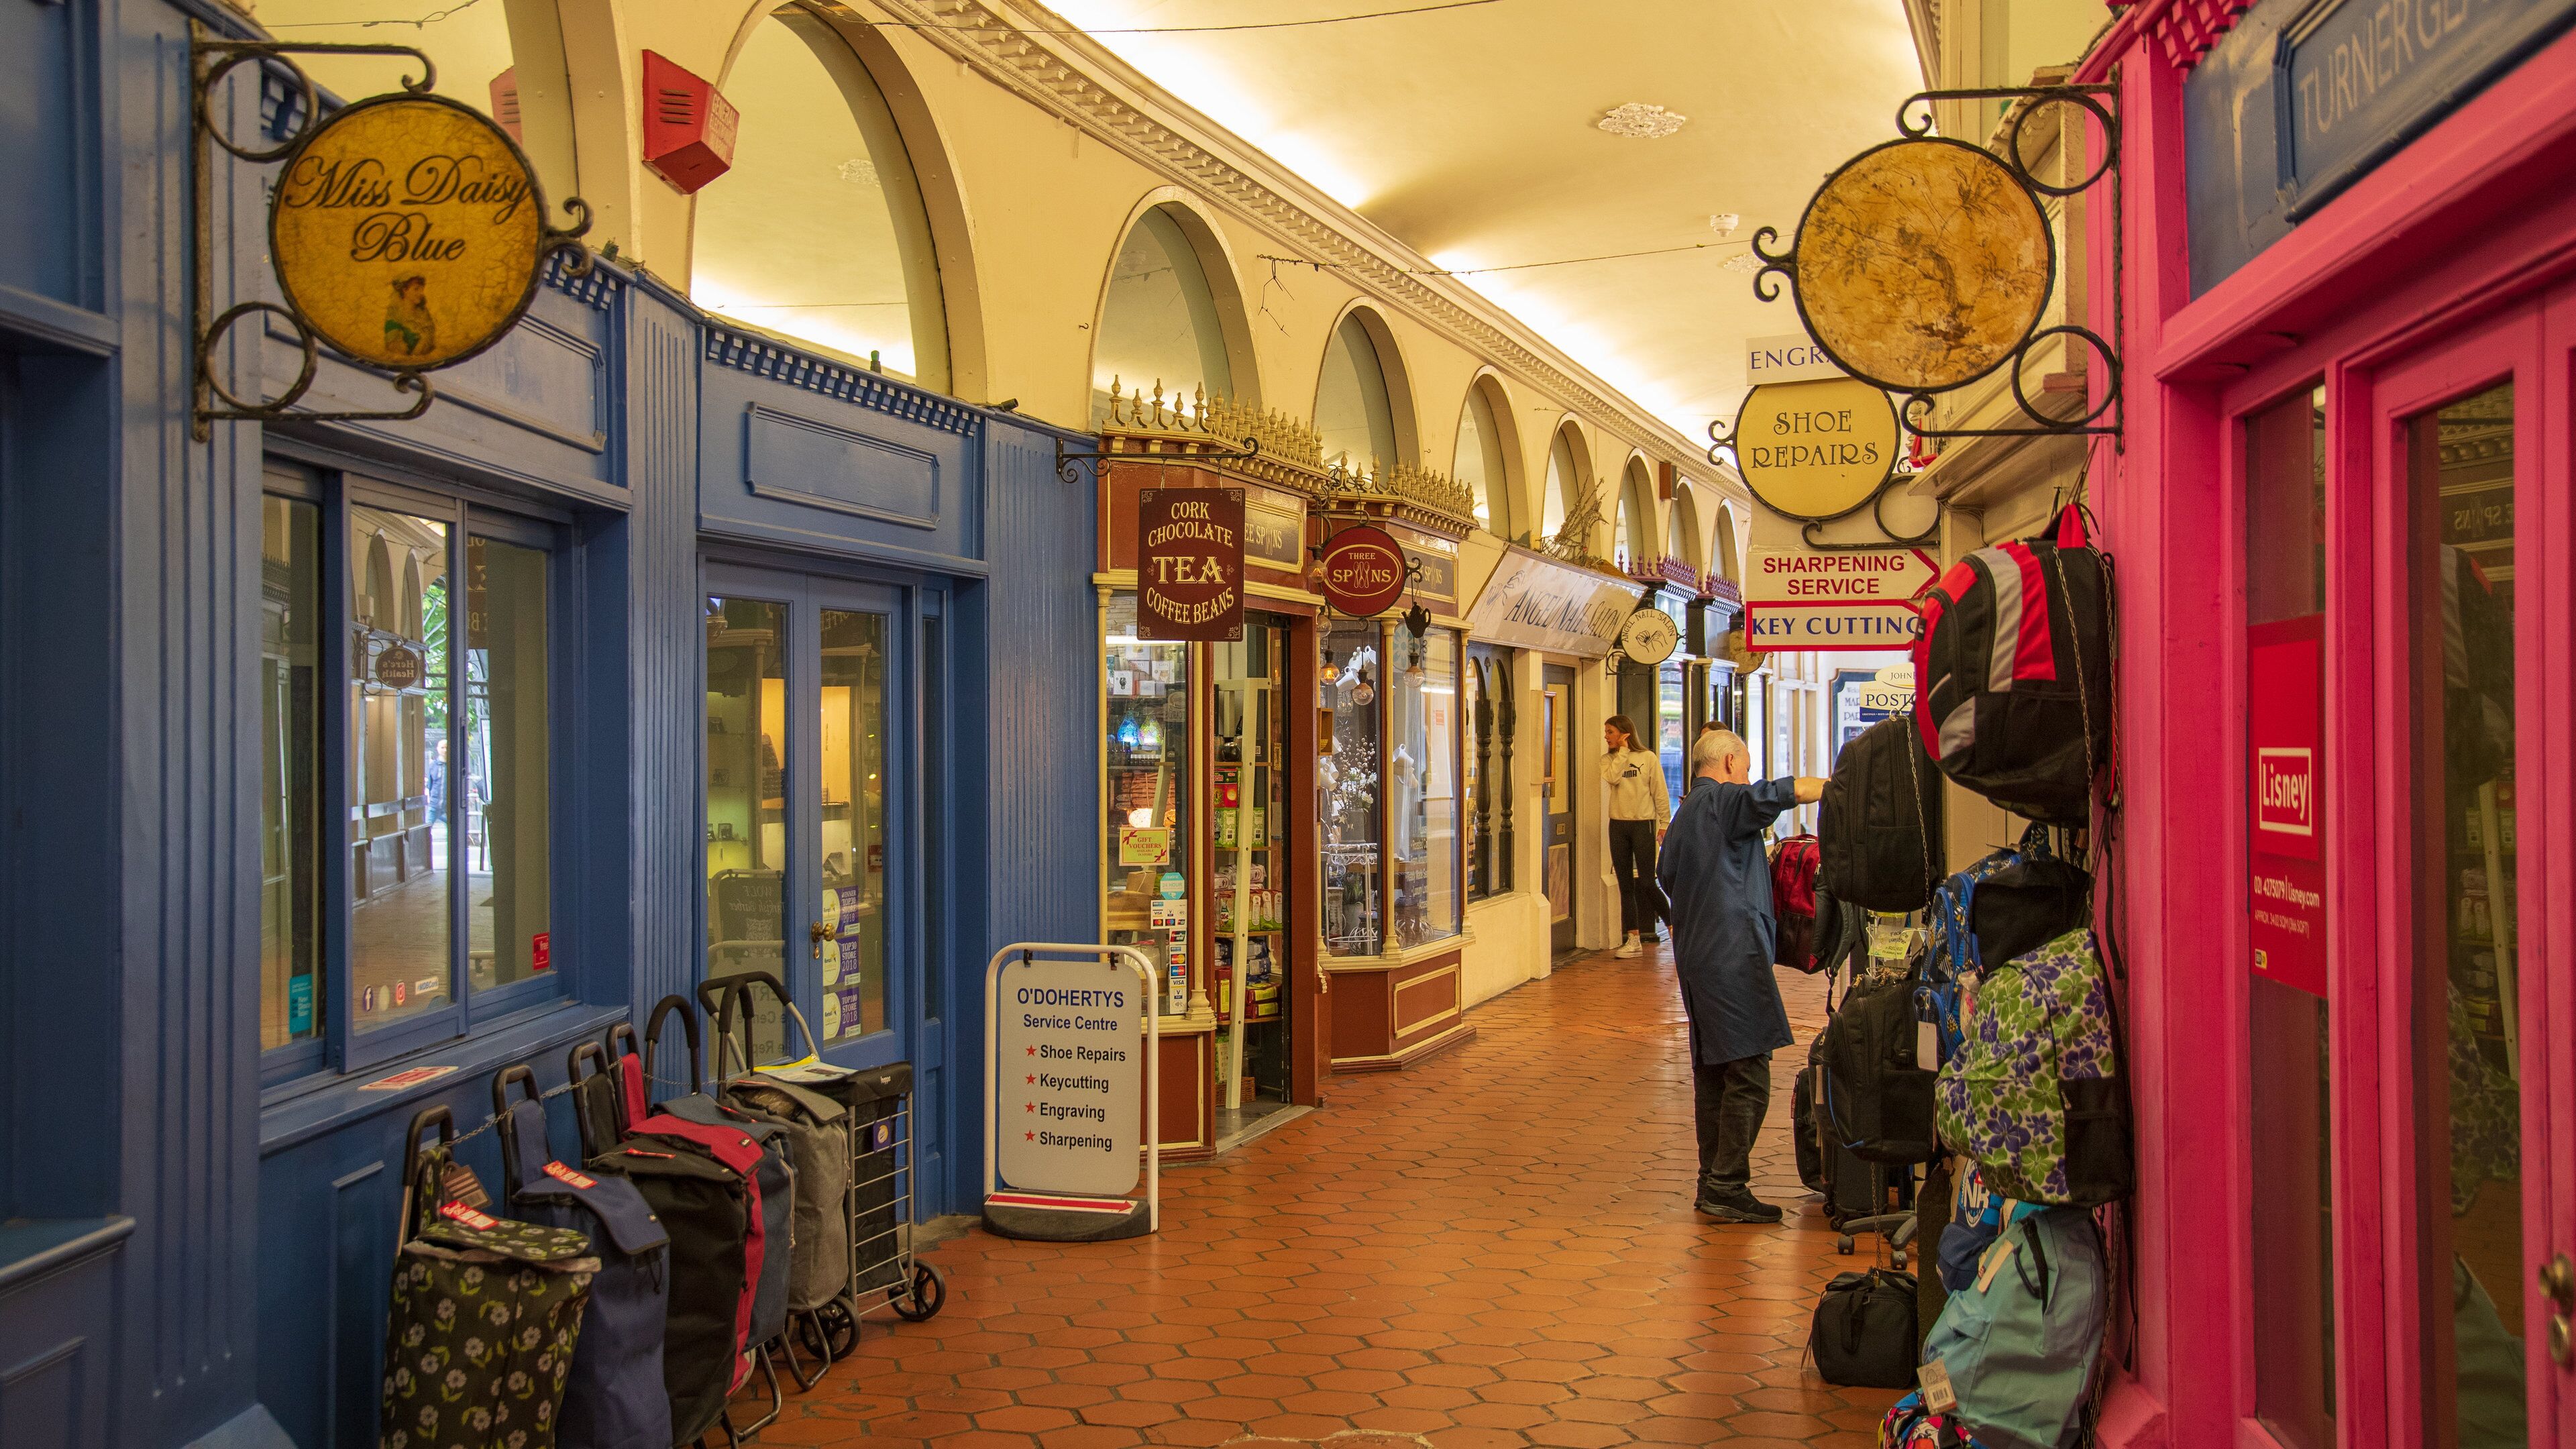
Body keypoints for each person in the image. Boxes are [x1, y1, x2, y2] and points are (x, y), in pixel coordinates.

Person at [1657, 728, 1825, 1222]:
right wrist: (1839, 784)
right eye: (1745, 767)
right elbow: (1777, 793)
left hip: (1698, 957)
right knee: (1750, 1069)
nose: (1747, 776)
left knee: (1714, 1073)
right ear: (1730, 763)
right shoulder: (1721, 801)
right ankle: (1728, 1184)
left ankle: (1713, 1182)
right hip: (1730, 956)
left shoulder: (1687, 811)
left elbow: (1667, 878)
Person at [1599, 715, 1670, 957]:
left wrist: (1665, 822)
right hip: (1618, 825)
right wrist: (1622, 753)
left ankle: (1674, 928)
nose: (1606, 736)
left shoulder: (1648, 758)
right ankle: (1633, 939)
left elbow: (1659, 791)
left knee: (1648, 883)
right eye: (1606, 732)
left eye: (1610, 732)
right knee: (1625, 884)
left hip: (1643, 825)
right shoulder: (1607, 760)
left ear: (1624, 733)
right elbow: (1613, 778)